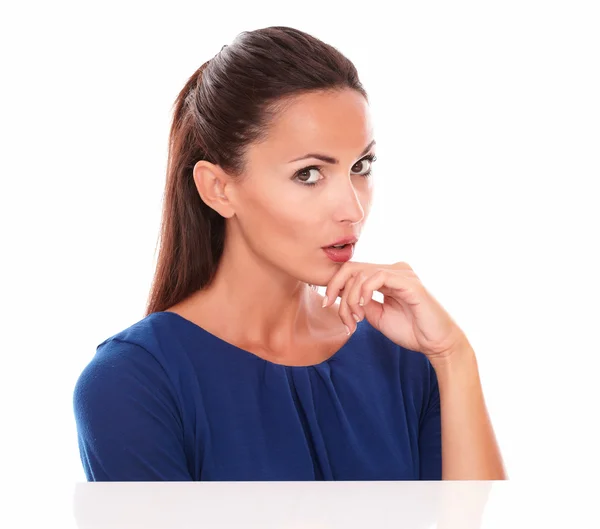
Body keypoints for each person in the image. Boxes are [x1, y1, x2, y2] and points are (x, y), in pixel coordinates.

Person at [73, 26, 506, 481]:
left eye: (360, 167)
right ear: (218, 189)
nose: (352, 209)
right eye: (309, 174)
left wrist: (453, 356)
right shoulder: (133, 383)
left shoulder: (404, 356)